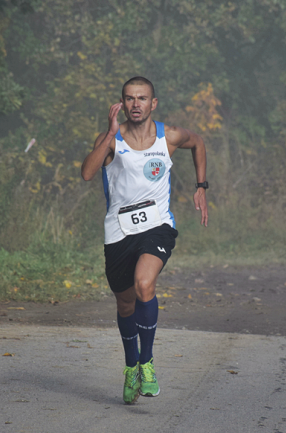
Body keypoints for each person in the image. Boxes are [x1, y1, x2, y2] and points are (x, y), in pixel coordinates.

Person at [81, 77, 208, 404]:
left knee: (144, 284)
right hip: (119, 232)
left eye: (142, 98)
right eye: (129, 99)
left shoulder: (170, 136)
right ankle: (131, 367)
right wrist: (109, 134)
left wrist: (201, 187)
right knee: (125, 304)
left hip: (157, 226)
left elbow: (199, 142)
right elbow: (86, 173)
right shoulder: (112, 139)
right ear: (122, 104)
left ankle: (147, 362)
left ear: (153, 103)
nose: (136, 104)